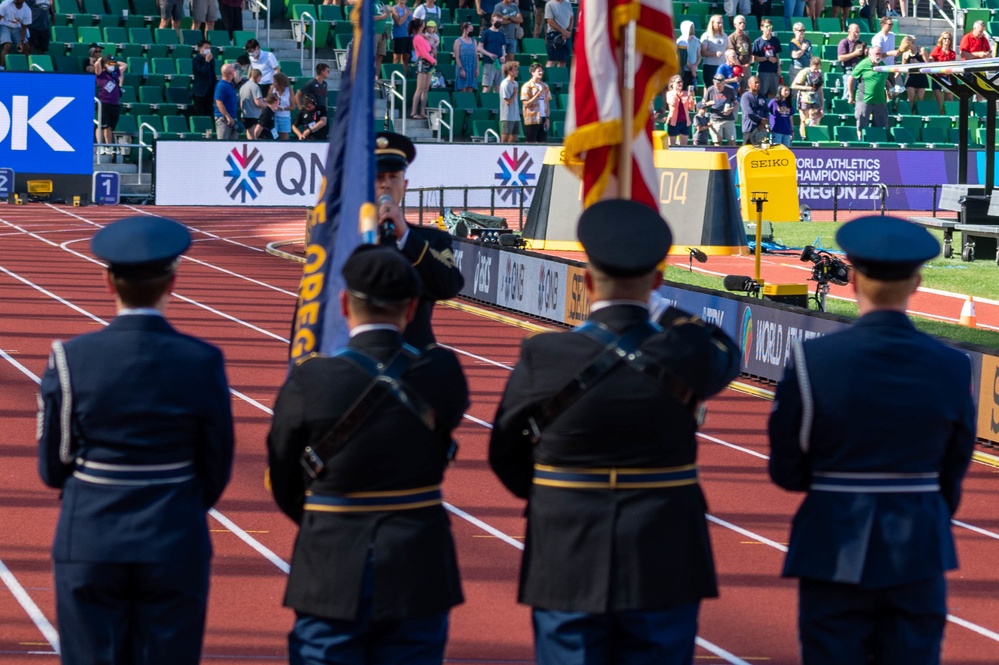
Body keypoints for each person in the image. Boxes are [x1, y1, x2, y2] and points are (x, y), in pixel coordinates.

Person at [489, 198, 741, 665]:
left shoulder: (543, 356)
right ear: (659, 283)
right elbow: (728, 350)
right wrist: (666, 315)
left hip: (566, 546)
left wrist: (554, 493)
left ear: (585, 281)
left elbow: (504, 453)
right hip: (664, 550)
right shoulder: (687, 352)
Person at [768, 215, 975, 665]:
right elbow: (955, 466)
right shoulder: (954, 366)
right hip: (918, 544)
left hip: (831, 541)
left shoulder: (811, 359)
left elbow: (787, 467)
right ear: (917, 281)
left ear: (853, 277)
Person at [38, 216, 234, 665]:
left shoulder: (70, 358)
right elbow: (216, 463)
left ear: (109, 282)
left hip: (90, 535)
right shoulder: (202, 360)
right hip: (174, 534)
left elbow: (54, 466)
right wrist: (178, 502)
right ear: (173, 282)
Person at [267, 244, 468, 665]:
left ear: (343, 303)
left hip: (332, 560)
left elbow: (284, 475)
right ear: (412, 309)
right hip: (418, 560)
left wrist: (322, 521)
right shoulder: (443, 372)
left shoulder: (313, 379)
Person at [373, 131, 464, 348]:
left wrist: (404, 235)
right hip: (358, 361)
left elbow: (449, 284)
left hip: (414, 359)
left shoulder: (431, 240)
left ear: (404, 186)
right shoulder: (347, 238)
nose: (386, 185)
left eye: (393, 177)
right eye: (378, 178)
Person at [852, 45, 890, 140]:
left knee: (881, 126)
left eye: (880, 54)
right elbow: (851, 78)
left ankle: (879, 145)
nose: (878, 56)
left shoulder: (883, 66)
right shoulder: (863, 64)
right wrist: (850, 95)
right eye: (876, 54)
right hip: (864, 100)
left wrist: (891, 89)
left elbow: (885, 80)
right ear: (870, 54)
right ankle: (861, 143)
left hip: (880, 101)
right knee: (862, 125)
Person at [95, 56, 126, 155]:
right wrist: (100, 60)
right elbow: (96, 66)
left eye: (112, 63)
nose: (111, 65)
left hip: (114, 104)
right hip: (104, 103)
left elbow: (124, 65)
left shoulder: (114, 74)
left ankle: (108, 146)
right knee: (102, 125)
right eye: (109, 63)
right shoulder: (101, 74)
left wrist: (114, 63)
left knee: (109, 127)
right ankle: (100, 146)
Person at [792, 56, 824, 140]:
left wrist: (822, 104)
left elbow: (820, 89)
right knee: (804, 120)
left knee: (816, 119)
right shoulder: (804, 73)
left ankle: (815, 138)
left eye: (818, 69)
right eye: (814, 69)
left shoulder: (820, 73)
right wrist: (807, 88)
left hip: (816, 99)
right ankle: (804, 137)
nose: (816, 71)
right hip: (804, 99)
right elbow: (794, 85)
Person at [410, 18, 436, 119]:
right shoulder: (417, 37)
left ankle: (422, 111)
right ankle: (413, 112)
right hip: (423, 61)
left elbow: (428, 49)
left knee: (425, 89)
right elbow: (423, 53)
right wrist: (433, 60)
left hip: (429, 62)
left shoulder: (423, 37)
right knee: (420, 88)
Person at [521, 61, 552, 143]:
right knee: (530, 143)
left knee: (542, 142)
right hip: (531, 119)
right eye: (538, 71)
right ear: (532, 73)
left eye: (542, 71)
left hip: (543, 118)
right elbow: (526, 104)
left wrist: (547, 118)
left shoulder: (545, 86)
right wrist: (537, 95)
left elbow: (547, 103)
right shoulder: (527, 86)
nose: (541, 72)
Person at [703, 72, 737, 145]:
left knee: (732, 141)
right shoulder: (710, 90)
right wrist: (708, 103)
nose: (718, 88)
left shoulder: (730, 90)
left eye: (719, 86)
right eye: (716, 86)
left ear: (724, 83)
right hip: (716, 119)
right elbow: (703, 103)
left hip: (728, 119)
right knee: (717, 142)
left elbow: (736, 103)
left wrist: (732, 109)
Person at [752, 18, 782, 99]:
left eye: (770, 26)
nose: (769, 28)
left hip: (774, 71)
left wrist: (779, 68)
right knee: (762, 93)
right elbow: (755, 58)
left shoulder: (775, 40)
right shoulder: (757, 42)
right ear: (762, 28)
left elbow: (777, 55)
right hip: (763, 71)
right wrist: (767, 58)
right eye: (767, 26)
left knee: (776, 93)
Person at [899, 35, 928, 114]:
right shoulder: (905, 54)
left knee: (920, 98)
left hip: (921, 76)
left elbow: (927, 63)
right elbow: (902, 67)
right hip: (911, 77)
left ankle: (917, 114)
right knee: (911, 98)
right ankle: (910, 114)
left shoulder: (921, 50)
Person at [928, 31, 956, 113]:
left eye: (949, 39)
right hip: (937, 76)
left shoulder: (952, 53)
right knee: (939, 97)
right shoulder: (937, 50)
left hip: (947, 77)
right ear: (942, 39)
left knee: (949, 96)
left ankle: (947, 113)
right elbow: (931, 59)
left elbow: (952, 66)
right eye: (945, 39)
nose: (947, 40)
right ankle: (939, 113)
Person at [837, 23, 865, 104]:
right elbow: (840, 58)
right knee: (848, 94)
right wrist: (855, 54)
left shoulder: (860, 43)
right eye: (855, 32)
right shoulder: (844, 42)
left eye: (858, 32)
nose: (857, 34)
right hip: (849, 70)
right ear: (849, 32)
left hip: (860, 70)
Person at [664, 74, 695, 146]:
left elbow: (691, 108)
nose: (680, 84)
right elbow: (673, 103)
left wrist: (691, 97)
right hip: (674, 122)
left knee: (684, 145)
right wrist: (676, 92)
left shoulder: (686, 93)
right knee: (672, 145)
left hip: (685, 122)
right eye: (678, 82)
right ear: (673, 83)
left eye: (681, 82)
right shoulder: (669, 94)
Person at [480, 15, 508, 93]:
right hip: (489, 62)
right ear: (492, 21)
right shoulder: (486, 33)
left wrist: (503, 56)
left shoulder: (501, 34)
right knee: (487, 86)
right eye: (497, 22)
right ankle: (485, 102)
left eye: (500, 22)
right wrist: (489, 54)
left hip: (499, 63)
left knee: (498, 86)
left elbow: (503, 47)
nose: (498, 23)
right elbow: (479, 47)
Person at [0, 0, 31, 69]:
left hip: (17, 28)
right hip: (4, 26)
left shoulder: (27, 10)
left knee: (25, 47)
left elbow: (24, 27)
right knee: (7, 45)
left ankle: (29, 67)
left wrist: (20, 41)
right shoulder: (6, 4)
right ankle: (1, 67)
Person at [741, 74, 770, 145]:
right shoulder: (746, 96)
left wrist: (763, 123)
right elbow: (749, 112)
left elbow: (766, 110)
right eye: (755, 83)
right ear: (749, 84)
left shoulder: (762, 96)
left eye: (759, 82)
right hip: (749, 128)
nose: (758, 84)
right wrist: (761, 120)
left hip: (761, 129)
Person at [214, 63, 240, 139]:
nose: (235, 71)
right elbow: (219, 103)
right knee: (223, 144)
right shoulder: (221, 86)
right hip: (224, 120)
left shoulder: (229, 84)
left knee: (234, 145)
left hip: (233, 119)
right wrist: (228, 117)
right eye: (233, 70)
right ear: (230, 73)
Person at [192, 38, 217, 117]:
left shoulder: (211, 60)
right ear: (200, 49)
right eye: (206, 48)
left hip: (209, 92)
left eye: (209, 48)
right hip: (200, 92)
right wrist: (206, 62)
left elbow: (213, 73)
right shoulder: (196, 60)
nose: (208, 50)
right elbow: (202, 72)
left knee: (209, 113)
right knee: (199, 114)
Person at [699, 15, 727, 86]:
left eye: (721, 23)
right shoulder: (706, 36)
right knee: (711, 88)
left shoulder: (725, 36)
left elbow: (727, 49)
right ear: (712, 23)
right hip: (710, 66)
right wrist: (714, 54)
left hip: (722, 65)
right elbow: (703, 52)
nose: (720, 25)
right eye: (718, 23)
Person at [727, 15, 752, 92]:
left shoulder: (746, 37)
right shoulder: (732, 37)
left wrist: (748, 63)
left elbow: (750, 52)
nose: (742, 24)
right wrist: (740, 66)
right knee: (736, 88)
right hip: (735, 67)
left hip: (746, 67)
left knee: (745, 88)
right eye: (740, 23)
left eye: (744, 23)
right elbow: (731, 53)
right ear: (735, 24)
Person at [239, 67, 266, 138]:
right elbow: (258, 102)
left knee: (249, 137)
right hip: (253, 116)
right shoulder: (255, 86)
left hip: (245, 115)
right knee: (253, 139)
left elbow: (241, 103)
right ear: (258, 76)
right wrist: (268, 106)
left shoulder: (243, 86)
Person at [543, 0, 572, 67]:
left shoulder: (568, 4)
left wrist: (567, 31)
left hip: (566, 35)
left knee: (563, 61)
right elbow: (549, 20)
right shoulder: (549, 4)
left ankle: (559, 77)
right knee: (551, 60)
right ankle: (548, 76)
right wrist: (563, 31)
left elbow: (571, 18)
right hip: (553, 35)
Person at [453, 21, 479, 93]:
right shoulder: (458, 41)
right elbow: (457, 57)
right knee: (463, 89)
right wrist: (461, 69)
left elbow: (476, 55)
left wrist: (477, 68)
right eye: (470, 29)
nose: (472, 31)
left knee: (470, 89)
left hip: (472, 68)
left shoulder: (474, 41)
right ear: (465, 29)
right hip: (463, 67)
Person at [499, 60, 520, 142]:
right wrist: (515, 93)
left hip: (515, 115)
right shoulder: (505, 84)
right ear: (509, 71)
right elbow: (507, 102)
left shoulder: (515, 83)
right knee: (505, 137)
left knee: (514, 137)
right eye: (515, 70)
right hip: (507, 116)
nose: (517, 71)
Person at [677, 20, 701, 92]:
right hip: (685, 71)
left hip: (694, 70)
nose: (693, 29)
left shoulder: (696, 40)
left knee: (693, 91)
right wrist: (691, 67)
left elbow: (699, 55)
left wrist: (694, 66)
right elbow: (683, 56)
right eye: (691, 28)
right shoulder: (681, 42)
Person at [391, 0, 413, 73]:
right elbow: (398, 22)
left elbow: (412, 22)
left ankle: (405, 76)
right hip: (399, 36)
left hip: (408, 36)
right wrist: (406, 15)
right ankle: (393, 77)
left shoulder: (409, 9)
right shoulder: (394, 8)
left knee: (406, 58)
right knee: (397, 58)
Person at [271, 71, 295, 140]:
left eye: (275, 82)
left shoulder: (289, 90)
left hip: (285, 118)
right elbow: (268, 101)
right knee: (273, 137)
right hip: (274, 117)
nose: (273, 83)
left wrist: (282, 108)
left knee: (284, 139)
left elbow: (293, 107)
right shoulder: (272, 89)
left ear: (280, 82)